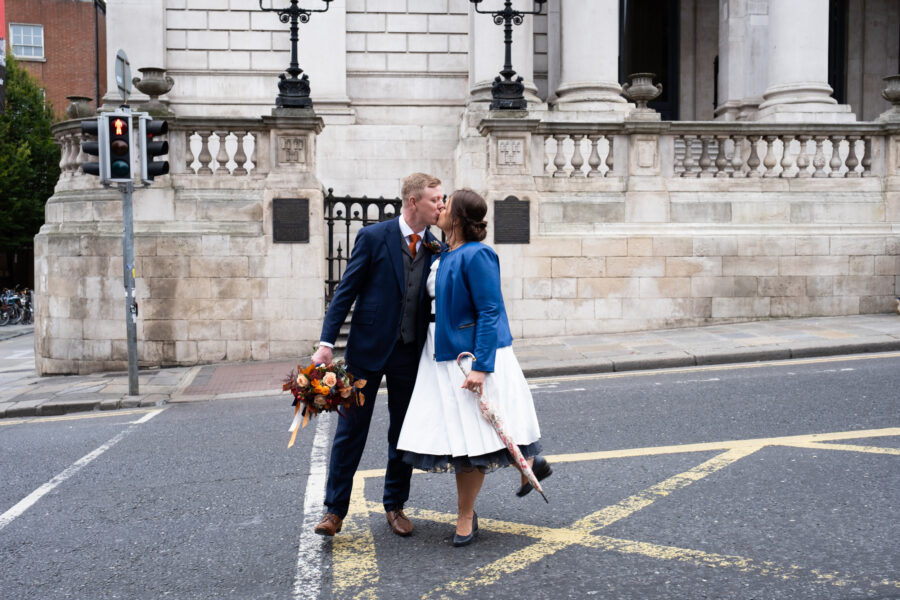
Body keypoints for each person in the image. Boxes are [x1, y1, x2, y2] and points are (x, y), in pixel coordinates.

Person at [397, 189, 551, 547]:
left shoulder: (479, 254)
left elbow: (490, 311)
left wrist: (482, 366)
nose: (439, 208)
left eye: (446, 205)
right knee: (463, 437)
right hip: (440, 354)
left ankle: (466, 515)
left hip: (469, 359)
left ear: (460, 218)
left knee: (471, 441)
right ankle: (528, 464)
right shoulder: (444, 251)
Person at [311, 173, 446, 537]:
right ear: (413, 202)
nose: (441, 205)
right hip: (366, 351)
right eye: (435, 199)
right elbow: (345, 292)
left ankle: (395, 505)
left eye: (443, 199)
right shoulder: (373, 236)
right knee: (350, 431)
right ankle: (334, 510)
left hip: (409, 353)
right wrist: (326, 343)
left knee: (403, 433)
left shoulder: (436, 245)